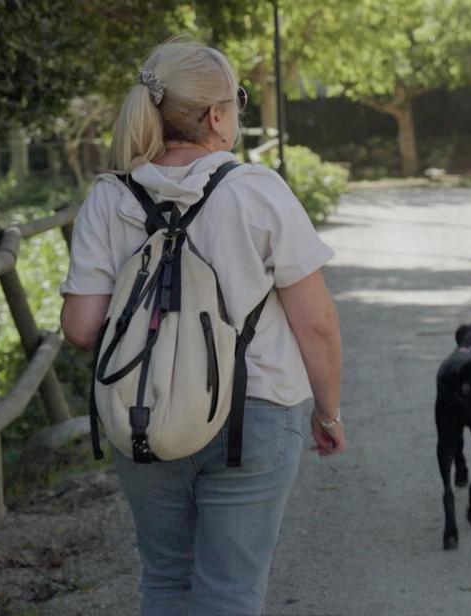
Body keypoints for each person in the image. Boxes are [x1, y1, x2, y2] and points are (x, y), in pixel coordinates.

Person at [58, 37, 345, 615]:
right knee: (230, 593)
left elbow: (82, 327)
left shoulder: (109, 197)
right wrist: (327, 412)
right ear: (216, 116)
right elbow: (315, 325)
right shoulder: (255, 190)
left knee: (165, 581)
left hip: (144, 412)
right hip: (255, 412)